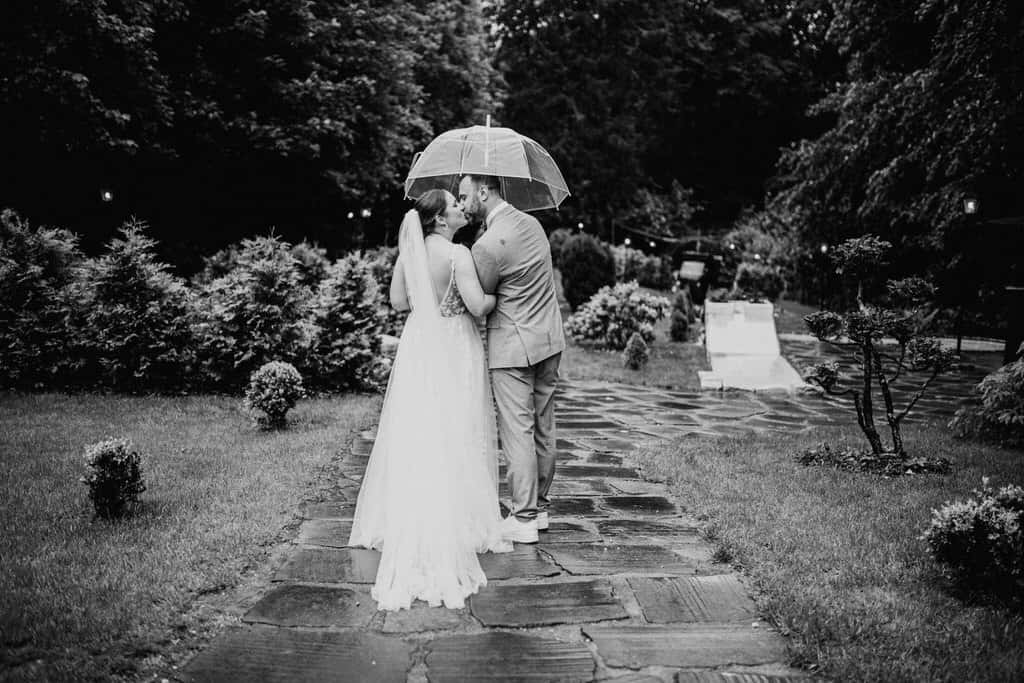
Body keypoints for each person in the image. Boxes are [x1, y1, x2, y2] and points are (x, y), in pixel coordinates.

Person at [348, 189, 512, 611]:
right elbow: (477, 306)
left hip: (420, 342)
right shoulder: (459, 256)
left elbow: (398, 300)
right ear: (441, 219)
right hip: (456, 343)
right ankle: (459, 517)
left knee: (419, 426)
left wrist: (428, 303)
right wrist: (503, 296)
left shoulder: (413, 252)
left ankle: (409, 510)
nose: (462, 207)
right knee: (457, 427)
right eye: (455, 205)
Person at [459, 174, 566, 545]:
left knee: (517, 431)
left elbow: (482, 300)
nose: (461, 202)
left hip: (513, 347)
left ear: (484, 191)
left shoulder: (485, 246)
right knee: (543, 426)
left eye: (464, 194)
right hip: (549, 338)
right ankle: (540, 508)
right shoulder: (533, 224)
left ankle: (522, 517)